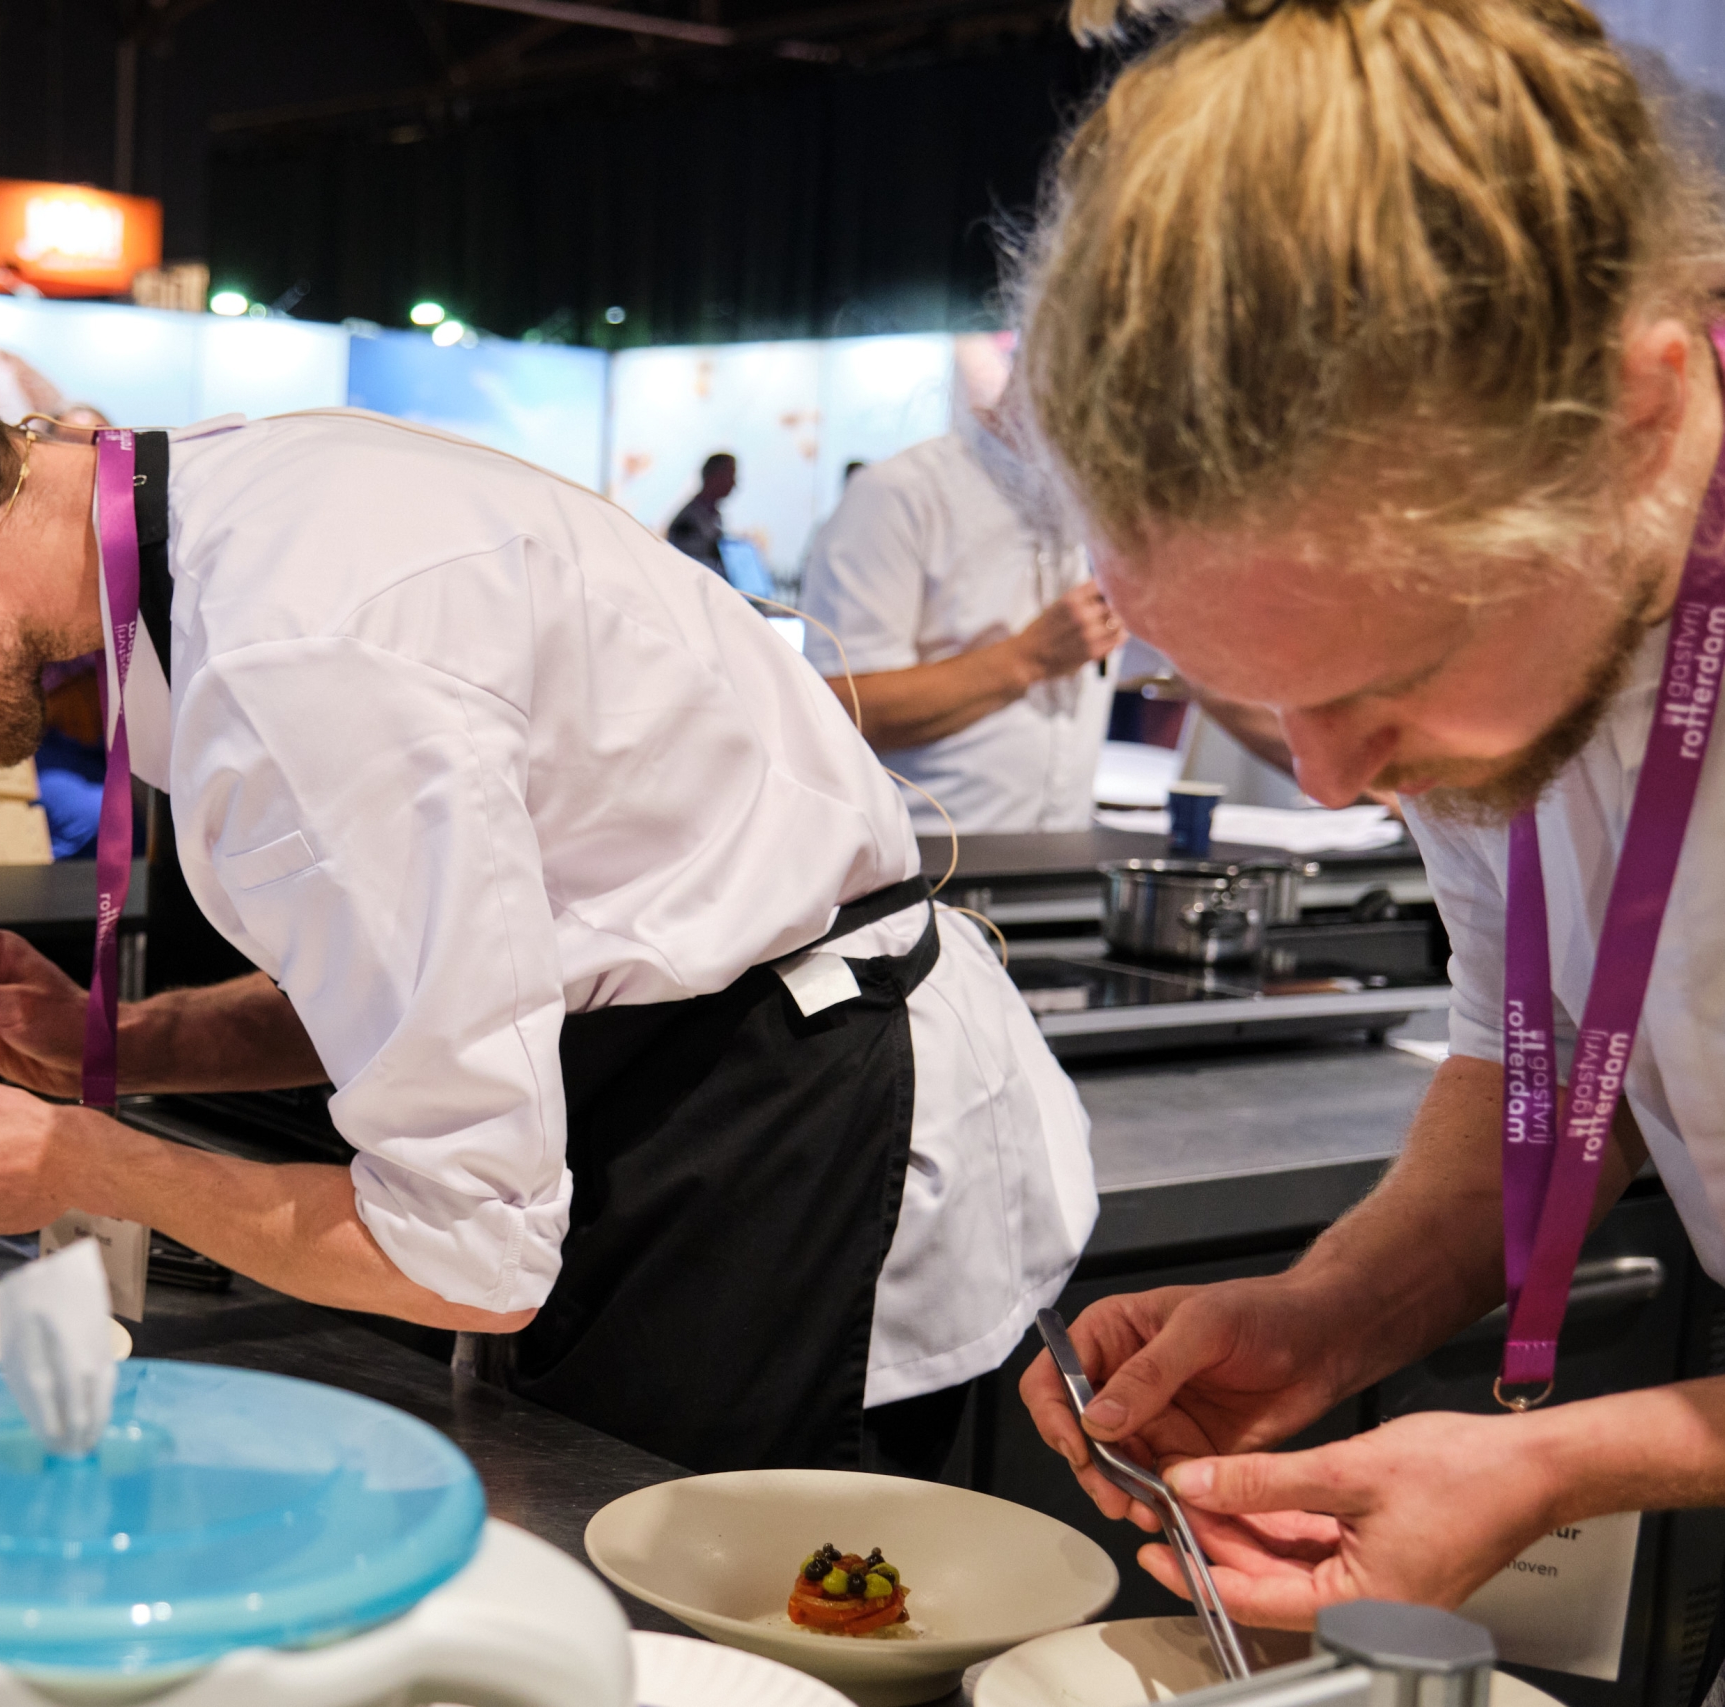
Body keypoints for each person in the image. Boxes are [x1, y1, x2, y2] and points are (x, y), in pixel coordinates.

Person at [0, 296, 1096, 1477]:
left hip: (789, 1126)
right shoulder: (217, 519)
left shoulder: (294, 653)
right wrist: (118, 1045)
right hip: (677, 1085)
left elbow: (470, 1255)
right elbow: (445, 973)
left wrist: (74, 1160)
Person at [1010, 0, 1725, 1633]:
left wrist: (1566, 1461)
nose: (1333, 779)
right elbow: (1541, 1073)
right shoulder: (1520, 627)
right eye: (1264, 696)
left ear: (1634, 413)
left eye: (1388, 681)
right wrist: (1324, 1314)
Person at [800, 336, 1125, 832]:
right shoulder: (900, 495)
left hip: (1065, 867)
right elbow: (840, 711)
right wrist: (1028, 657)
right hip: (924, 870)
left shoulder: (1102, 506)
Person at [666, 451, 737, 575]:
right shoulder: (688, 521)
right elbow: (686, 565)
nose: (733, 483)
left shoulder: (714, 517)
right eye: (730, 475)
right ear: (715, 477)